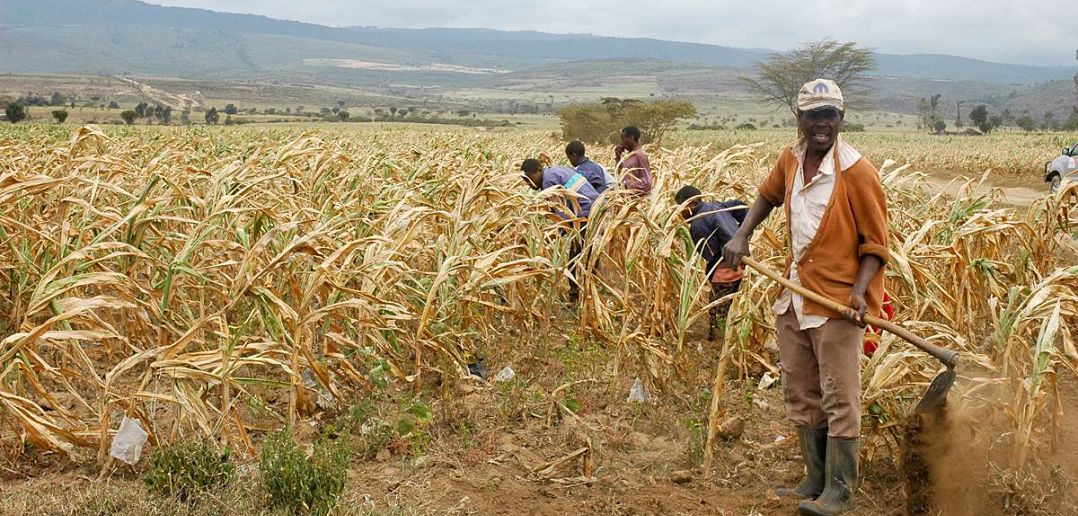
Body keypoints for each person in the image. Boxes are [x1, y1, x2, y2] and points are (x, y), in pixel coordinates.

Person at [721, 79, 889, 516]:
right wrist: (742, 233)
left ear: (841, 120)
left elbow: (876, 246)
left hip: (836, 303)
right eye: (813, 115)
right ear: (799, 118)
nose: (821, 124)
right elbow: (766, 196)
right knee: (802, 391)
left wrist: (857, 294)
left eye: (829, 115)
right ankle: (814, 478)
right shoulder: (791, 159)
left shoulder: (856, 173)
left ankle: (839, 492)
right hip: (795, 295)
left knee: (839, 395)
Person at [520, 158, 601, 302]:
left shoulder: (547, 182)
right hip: (596, 206)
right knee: (590, 252)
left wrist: (554, 234)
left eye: (530, 178)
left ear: (539, 171)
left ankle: (575, 295)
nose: (529, 184)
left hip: (584, 214)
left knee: (574, 257)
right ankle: (594, 287)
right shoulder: (557, 170)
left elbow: (562, 215)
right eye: (526, 181)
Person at [674, 185, 747, 341]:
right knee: (730, 302)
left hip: (725, 269)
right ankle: (728, 333)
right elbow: (741, 207)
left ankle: (717, 341)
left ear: (691, 204)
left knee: (717, 308)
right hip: (740, 263)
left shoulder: (697, 225)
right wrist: (744, 234)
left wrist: (711, 272)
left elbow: (711, 254)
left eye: (681, 208)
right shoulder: (716, 205)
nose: (680, 213)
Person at [615, 126, 652, 195]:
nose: (622, 142)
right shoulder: (630, 155)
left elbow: (647, 182)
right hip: (627, 197)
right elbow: (621, 175)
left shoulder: (640, 155)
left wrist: (626, 184)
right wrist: (618, 157)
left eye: (623, 139)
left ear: (632, 137)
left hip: (638, 200)